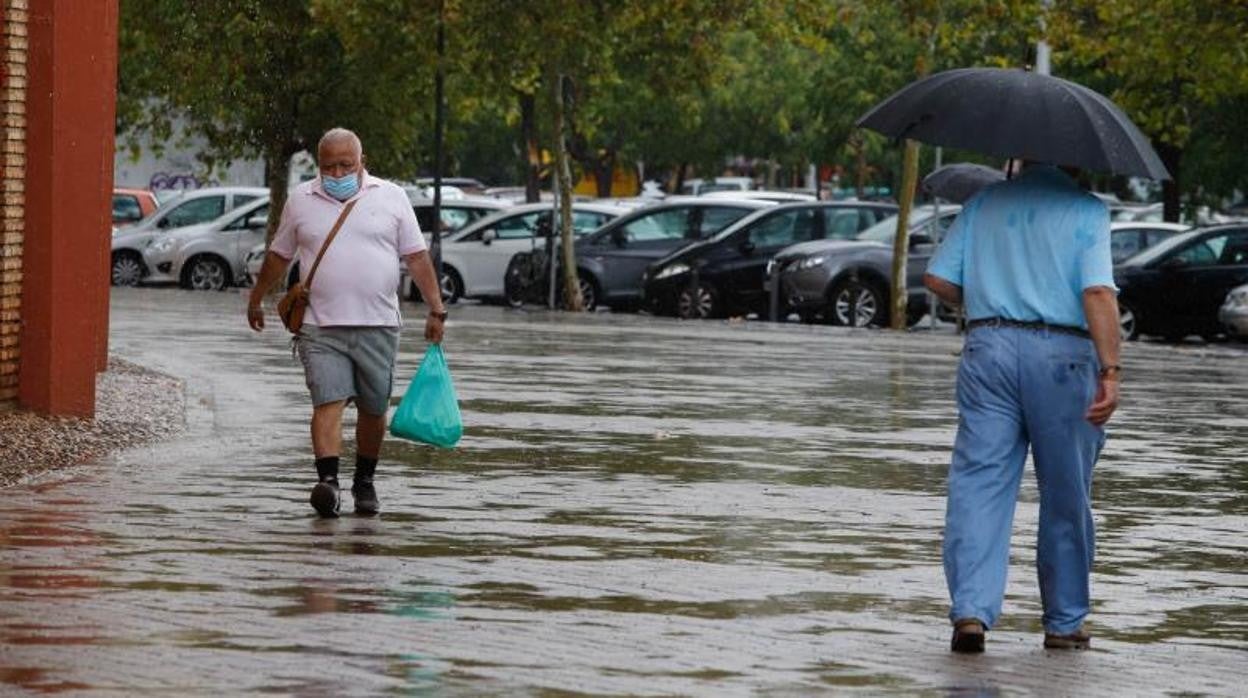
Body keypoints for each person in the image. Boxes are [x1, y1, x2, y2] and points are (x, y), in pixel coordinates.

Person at [923, 162, 1121, 653]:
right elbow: (1096, 291)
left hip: (988, 348)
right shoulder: (1085, 210)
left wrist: (989, 295)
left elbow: (937, 280)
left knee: (979, 483)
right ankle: (1064, 621)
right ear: (1077, 159)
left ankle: (971, 611)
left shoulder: (984, 203)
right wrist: (1111, 370)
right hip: (1062, 358)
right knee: (1065, 493)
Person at [247, 128, 447, 518]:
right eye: (328, 166)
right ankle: (328, 483)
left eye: (346, 165)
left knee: (373, 409)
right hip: (320, 326)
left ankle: (364, 482)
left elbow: (417, 257)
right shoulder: (301, 200)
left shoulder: (391, 197)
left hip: (379, 325)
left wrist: (436, 309)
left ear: (362, 162)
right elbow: (278, 255)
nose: (337, 173)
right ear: (318, 166)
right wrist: (256, 299)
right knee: (328, 401)